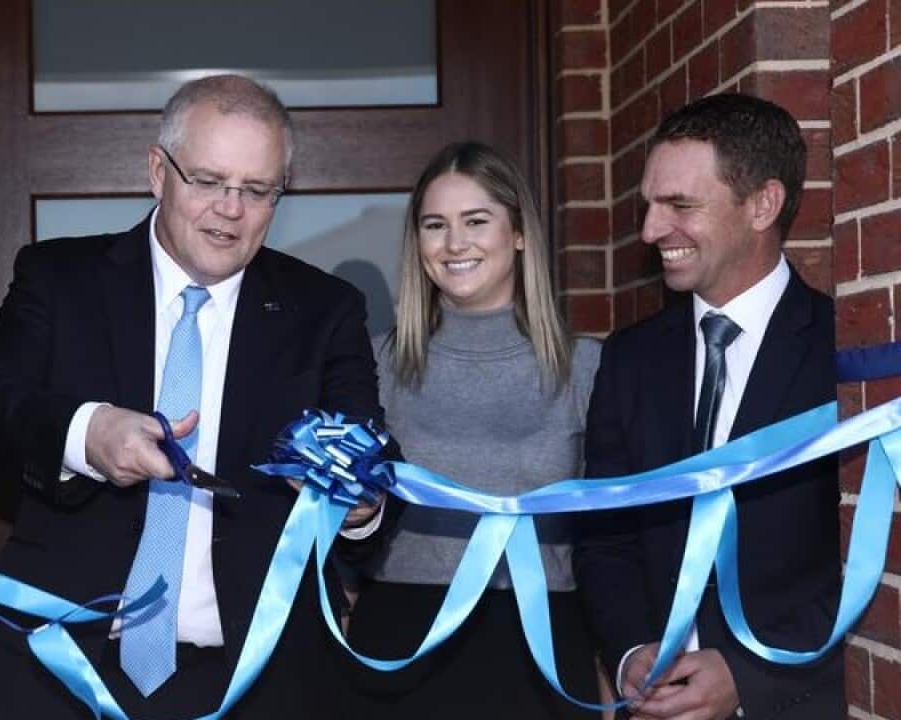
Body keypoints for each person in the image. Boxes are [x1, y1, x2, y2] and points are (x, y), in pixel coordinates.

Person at [0, 74, 391, 720]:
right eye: (208, 181)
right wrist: (87, 432)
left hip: (258, 684)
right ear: (159, 172)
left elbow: (370, 461)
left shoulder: (325, 311)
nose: (231, 209)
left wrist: (359, 504)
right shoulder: (59, 278)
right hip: (61, 674)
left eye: (257, 190)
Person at [574, 93, 844, 720]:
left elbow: (871, 563)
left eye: (680, 205)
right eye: (649, 204)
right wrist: (629, 653)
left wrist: (751, 675)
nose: (650, 230)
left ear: (763, 205)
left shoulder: (843, 355)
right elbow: (602, 537)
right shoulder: (629, 358)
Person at [344, 141, 602, 718]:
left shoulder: (587, 368)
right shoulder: (375, 363)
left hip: (542, 644)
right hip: (400, 644)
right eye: (435, 225)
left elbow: (610, 541)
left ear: (519, 233)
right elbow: (343, 528)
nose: (454, 243)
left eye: (476, 221)